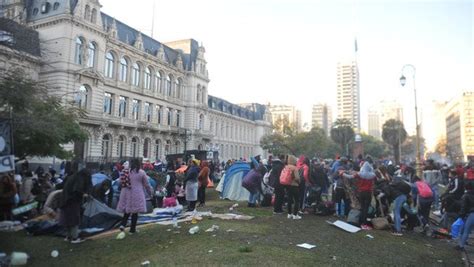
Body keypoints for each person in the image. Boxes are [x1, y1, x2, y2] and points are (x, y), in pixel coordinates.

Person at [117, 159, 152, 234]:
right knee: (135, 212)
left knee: (127, 210)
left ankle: (123, 224)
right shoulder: (141, 172)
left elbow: (120, 182)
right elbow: (147, 185)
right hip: (137, 193)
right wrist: (150, 193)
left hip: (126, 193)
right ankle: (132, 230)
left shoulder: (125, 172)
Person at [58, 168, 92, 244]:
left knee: (67, 219)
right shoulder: (80, 178)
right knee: (74, 219)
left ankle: (68, 236)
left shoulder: (73, 176)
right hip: (71, 201)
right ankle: (74, 238)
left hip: (65, 200)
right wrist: (84, 194)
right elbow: (77, 190)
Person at [341, 160, 376, 229]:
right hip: (368, 193)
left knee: (362, 207)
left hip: (361, 192)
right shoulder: (373, 175)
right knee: (366, 208)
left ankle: (360, 221)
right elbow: (375, 181)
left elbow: (349, 177)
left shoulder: (360, 174)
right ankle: (364, 223)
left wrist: (342, 174)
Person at [456, 181, 474, 251]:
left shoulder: (466, 196)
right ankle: (463, 242)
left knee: (464, 230)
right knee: (468, 230)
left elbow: (463, 207)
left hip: (470, 214)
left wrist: (461, 216)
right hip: (471, 214)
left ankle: (461, 246)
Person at [283, 155, 302, 220]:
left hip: (287, 185)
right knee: (297, 200)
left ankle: (289, 214)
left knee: (289, 200)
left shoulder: (286, 167)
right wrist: (299, 182)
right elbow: (297, 178)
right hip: (294, 186)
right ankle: (295, 215)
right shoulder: (294, 168)